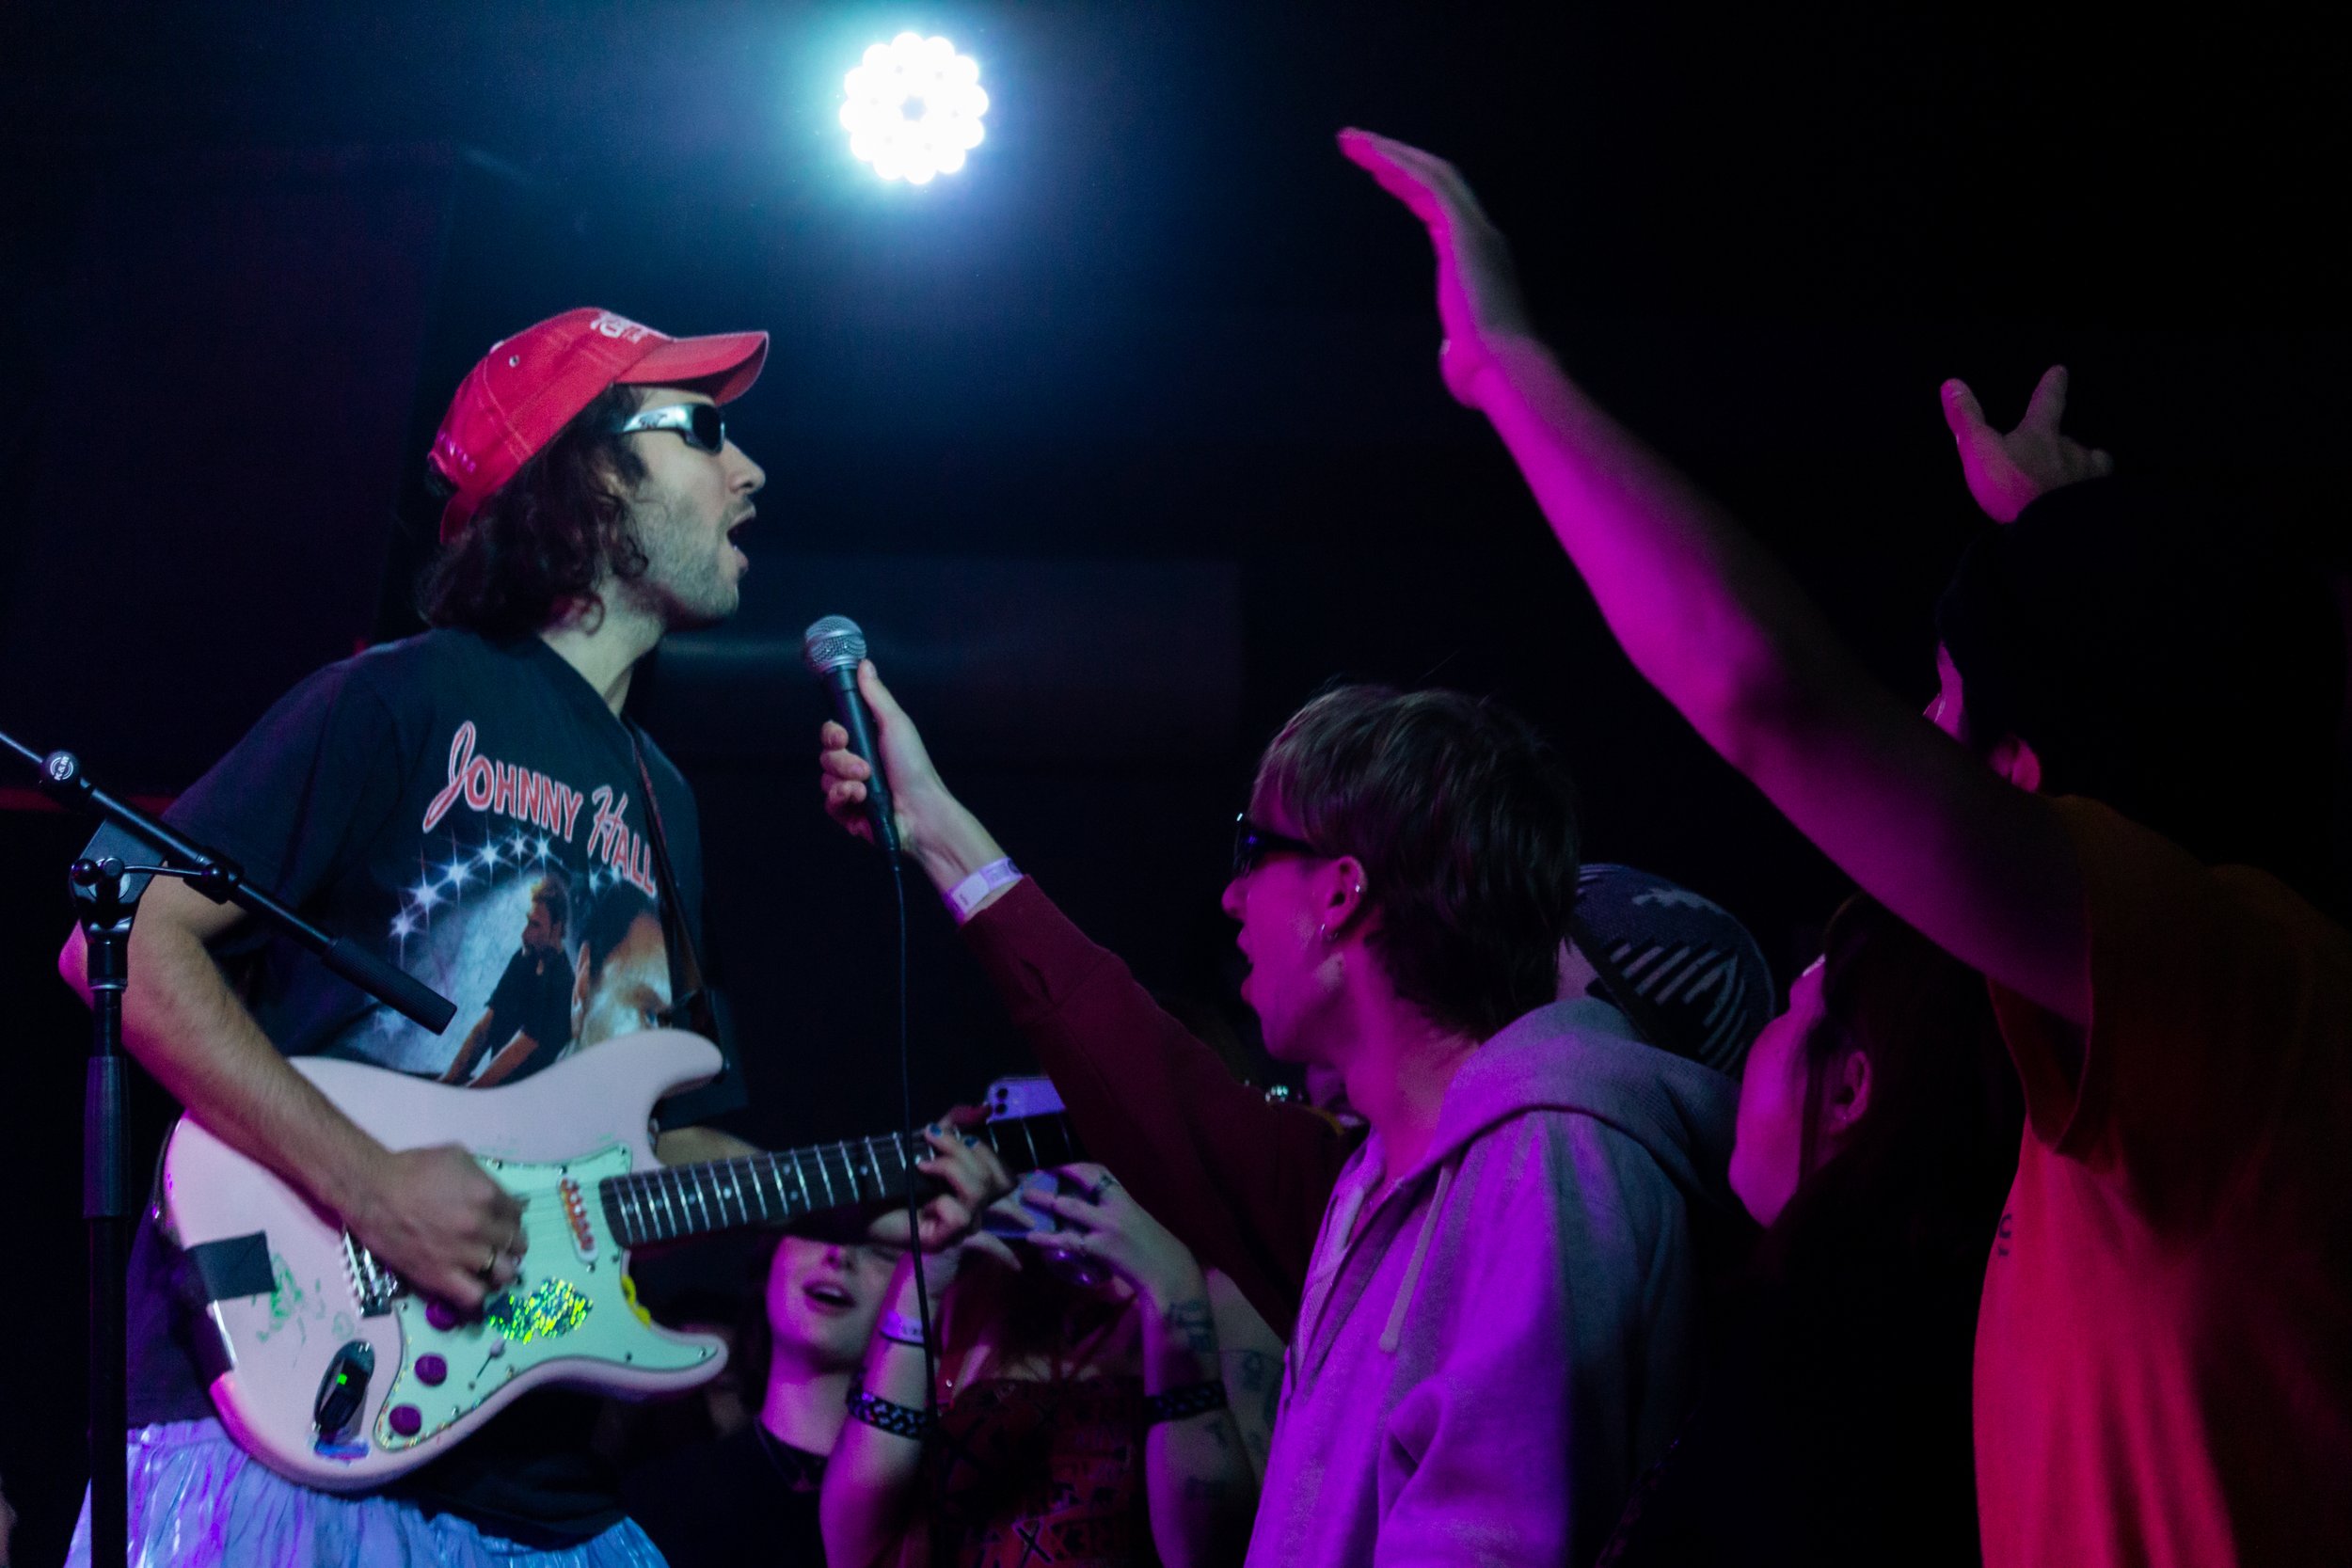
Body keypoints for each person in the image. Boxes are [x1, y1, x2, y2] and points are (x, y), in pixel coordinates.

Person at [1342, 129, 2352, 1565]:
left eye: (1941, 702)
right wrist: (2066, 546)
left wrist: (1506, 367)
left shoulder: (2239, 988)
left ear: (2024, 773)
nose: (1915, 740)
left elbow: (1768, 694)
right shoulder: (2145, 1058)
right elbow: (2150, 699)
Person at [56, 306, 782, 1565]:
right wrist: (371, 1184)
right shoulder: (399, 696)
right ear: (589, 474)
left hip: (535, 1472)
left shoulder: (666, 805)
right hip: (295, 1422)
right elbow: (122, 942)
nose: (749, 470)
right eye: (703, 432)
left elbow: (651, 1143)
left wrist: (879, 1192)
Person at [818, 678, 1740, 1565]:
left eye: (1252, 846)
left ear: (1340, 894)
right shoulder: (1388, 1172)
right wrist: (933, 826)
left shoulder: (1551, 1162)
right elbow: (1153, 1084)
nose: (1230, 896)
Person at [1601, 894, 2021, 1565]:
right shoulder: (1941, 1355)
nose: (1751, 1046)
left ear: (1850, 1091)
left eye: (1787, 1013)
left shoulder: (1815, 1381)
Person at [822, 1137, 1266, 1568]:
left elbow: (1215, 1554)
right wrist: (918, 1287)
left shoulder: (1222, 1297)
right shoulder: (983, 1288)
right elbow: (856, 1551)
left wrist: (1170, 1293)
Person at [623, 1226, 904, 1568]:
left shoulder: (934, 1505)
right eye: (817, 1226)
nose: (839, 1255)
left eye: (877, 1248)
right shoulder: (656, 1500)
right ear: (769, 1260)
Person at [441, 873, 573, 1085]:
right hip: (493, 1092)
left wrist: (472, 1092)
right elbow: (485, 1028)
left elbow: (521, 1049)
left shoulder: (562, 983)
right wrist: (447, 1081)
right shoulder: (524, 959)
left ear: (556, 928)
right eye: (528, 921)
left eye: (536, 925)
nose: (525, 934)